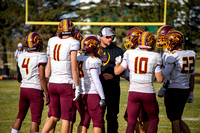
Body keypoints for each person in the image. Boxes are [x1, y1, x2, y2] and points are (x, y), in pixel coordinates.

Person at [114, 31, 163, 133]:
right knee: (153, 120)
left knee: (131, 122)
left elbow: (117, 71)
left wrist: (117, 63)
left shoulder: (129, 53)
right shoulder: (156, 56)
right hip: (148, 91)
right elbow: (160, 79)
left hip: (133, 91)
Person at [42, 19, 80, 133]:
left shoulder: (52, 40)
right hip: (66, 84)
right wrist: (77, 86)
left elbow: (48, 66)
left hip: (53, 83)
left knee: (53, 116)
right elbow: (74, 67)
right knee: (66, 119)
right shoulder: (73, 42)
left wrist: (46, 82)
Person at [11, 32, 49, 133]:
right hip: (35, 89)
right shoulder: (40, 56)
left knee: (20, 116)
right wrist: (47, 92)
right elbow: (42, 78)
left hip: (23, 88)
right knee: (35, 121)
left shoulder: (21, 56)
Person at [161, 30, 196, 133]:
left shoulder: (173, 55)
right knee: (177, 118)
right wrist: (191, 92)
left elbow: (165, 74)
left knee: (175, 120)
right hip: (185, 89)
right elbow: (192, 76)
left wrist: (157, 69)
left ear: (173, 42)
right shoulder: (191, 54)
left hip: (174, 90)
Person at [77, 36, 106, 133]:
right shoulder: (93, 60)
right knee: (97, 123)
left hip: (80, 93)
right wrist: (102, 97)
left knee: (84, 122)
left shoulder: (79, 58)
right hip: (92, 94)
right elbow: (96, 80)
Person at [123, 27, 149, 133]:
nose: (128, 41)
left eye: (130, 38)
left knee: (136, 118)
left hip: (136, 89)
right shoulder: (148, 52)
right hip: (146, 88)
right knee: (141, 117)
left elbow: (122, 71)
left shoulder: (131, 53)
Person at [98, 26, 123, 133]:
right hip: (98, 88)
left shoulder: (118, 51)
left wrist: (114, 75)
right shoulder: (94, 49)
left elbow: (123, 68)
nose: (110, 39)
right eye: (107, 37)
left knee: (112, 115)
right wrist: (100, 75)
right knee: (99, 116)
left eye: (111, 37)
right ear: (101, 37)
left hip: (113, 87)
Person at [155, 25, 175, 98]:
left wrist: (164, 87)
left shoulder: (171, 53)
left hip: (173, 86)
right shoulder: (167, 51)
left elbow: (169, 74)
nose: (159, 40)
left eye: (161, 38)